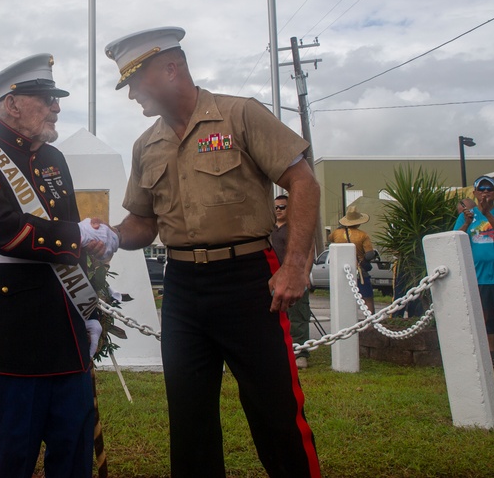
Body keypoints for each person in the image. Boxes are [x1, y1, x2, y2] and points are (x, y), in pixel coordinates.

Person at [105, 27, 321, 478]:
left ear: (171, 68)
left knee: (275, 411)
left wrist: (296, 264)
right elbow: (144, 223)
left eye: (135, 81)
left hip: (249, 281)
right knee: (189, 420)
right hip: (182, 289)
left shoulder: (240, 115)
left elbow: (302, 181)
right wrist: (106, 237)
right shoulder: (146, 145)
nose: (131, 95)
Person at [0, 53, 117, 478]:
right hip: (10, 332)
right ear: (13, 104)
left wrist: (91, 305)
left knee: (73, 453)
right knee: (12, 457)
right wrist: (78, 235)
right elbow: (1, 230)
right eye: (46, 98)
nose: (57, 107)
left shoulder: (53, 159)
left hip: (65, 326)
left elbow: (68, 238)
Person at [454, 175, 494, 376]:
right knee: (482, 317)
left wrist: (487, 214)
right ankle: (489, 355)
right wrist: (466, 222)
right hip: (477, 276)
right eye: (481, 190)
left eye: (489, 189)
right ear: (474, 193)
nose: (485, 193)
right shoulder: (466, 215)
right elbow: (455, 240)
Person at [272, 194, 312, 369]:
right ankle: (278, 351)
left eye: (283, 207)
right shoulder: (268, 228)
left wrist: (304, 273)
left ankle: (300, 353)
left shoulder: (297, 228)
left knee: (298, 316)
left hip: (294, 278)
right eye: (276, 207)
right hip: (272, 279)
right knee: (274, 317)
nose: (279, 210)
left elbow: (309, 250)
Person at [329, 205, 376, 314]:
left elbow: (330, 239)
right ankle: (370, 322)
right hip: (359, 271)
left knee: (342, 299)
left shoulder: (336, 233)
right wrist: (363, 259)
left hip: (340, 271)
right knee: (367, 297)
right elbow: (370, 254)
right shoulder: (362, 235)